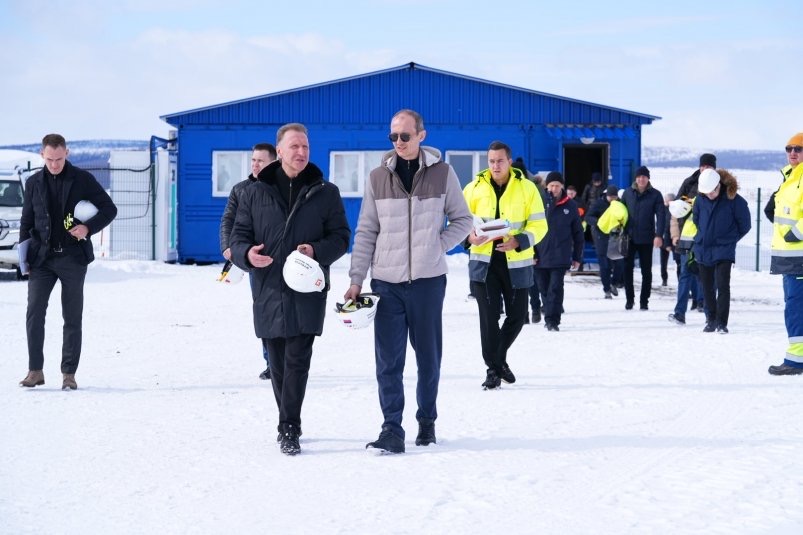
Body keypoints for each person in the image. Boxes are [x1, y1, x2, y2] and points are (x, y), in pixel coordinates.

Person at [345, 109, 473, 454]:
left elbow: (463, 220)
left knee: (428, 358)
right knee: (388, 362)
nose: (398, 142)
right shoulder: (377, 177)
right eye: (393, 136)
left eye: (405, 136)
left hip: (428, 282)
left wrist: (436, 246)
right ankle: (391, 428)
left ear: (421, 136)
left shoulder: (443, 173)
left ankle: (427, 421)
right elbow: (366, 231)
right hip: (386, 283)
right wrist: (356, 279)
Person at [229, 123, 350, 455]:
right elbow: (238, 236)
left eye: (305, 147)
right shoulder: (254, 193)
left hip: (307, 288)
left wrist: (315, 250)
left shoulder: (325, 192)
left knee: (298, 359)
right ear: (279, 151)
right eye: (294, 146)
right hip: (268, 288)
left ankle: (289, 427)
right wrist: (246, 255)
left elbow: (341, 237)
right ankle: (288, 418)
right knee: (278, 363)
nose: (301, 152)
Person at [18, 134, 118, 390]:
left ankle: (68, 374)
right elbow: (26, 222)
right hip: (41, 259)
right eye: (50, 159)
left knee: (72, 316)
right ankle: (35, 371)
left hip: (73, 258)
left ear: (67, 154)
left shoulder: (83, 179)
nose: (54, 164)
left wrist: (88, 228)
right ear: (42, 155)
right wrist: (23, 259)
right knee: (34, 313)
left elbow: (109, 209)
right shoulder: (33, 183)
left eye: (59, 159)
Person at [463, 141, 547, 388]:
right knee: (488, 319)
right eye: (491, 161)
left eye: (500, 161)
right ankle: (493, 370)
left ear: (509, 162)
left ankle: (498, 361)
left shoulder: (528, 189)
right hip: (484, 263)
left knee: (518, 316)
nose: (495, 165)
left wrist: (519, 241)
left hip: (517, 263)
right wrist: (469, 237)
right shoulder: (473, 188)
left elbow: (540, 225)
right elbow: (457, 221)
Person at [219, 142, 277, 380]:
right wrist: (228, 247)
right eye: (253, 160)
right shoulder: (240, 190)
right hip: (255, 261)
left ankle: (289, 360)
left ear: (274, 162)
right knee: (264, 310)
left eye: (260, 160)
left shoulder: (283, 188)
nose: (255, 164)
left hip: (283, 259)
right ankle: (271, 362)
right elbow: (228, 220)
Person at [692, 168, 751, 333]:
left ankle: (721, 323)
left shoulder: (735, 200)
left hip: (724, 249)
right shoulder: (700, 200)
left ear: (719, 185)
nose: (709, 195)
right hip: (703, 247)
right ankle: (710, 320)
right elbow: (696, 219)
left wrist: (730, 239)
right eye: (706, 192)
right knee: (707, 287)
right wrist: (702, 236)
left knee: (723, 285)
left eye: (712, 191)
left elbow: (745, 225)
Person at [767, 133, 803, 374]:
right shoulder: (790, 177)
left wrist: (795, 234)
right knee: (794, 306)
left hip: (799, 256)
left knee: (796, 308)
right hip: (788, 258)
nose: (793, 153)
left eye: (798, 149)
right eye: (789, 148)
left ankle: (796, 361)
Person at [534, 172, 584, 331]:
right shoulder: (538, 202)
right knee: (543, 289)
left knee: (555, 288)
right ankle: (549, 315)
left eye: (557, 185)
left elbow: (578, 233)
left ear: (562, 186)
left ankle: (552, 321)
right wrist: (532, 253)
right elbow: (529, 229)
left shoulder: (571, 205)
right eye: (551, 185)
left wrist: (577, 257)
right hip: (540, 255)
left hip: (560, 255)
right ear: (546, 186)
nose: (554, 189)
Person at [620, 166, 665, 310]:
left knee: (646, 271)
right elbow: (619, 212)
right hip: (629, 237)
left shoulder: (655, 195)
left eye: (644, 177)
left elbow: (661, 216)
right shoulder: (627, 193)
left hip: (646, 238)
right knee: (627, 269)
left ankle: (644, 301)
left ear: (648, 178)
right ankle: (629, 300)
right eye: (639, 177)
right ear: (635, 178)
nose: (641, 179)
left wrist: (659, 235)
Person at [677, 153, 717, 311]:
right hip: (688, 237)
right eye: (703, 166)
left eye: (709, 166)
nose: (705, 169)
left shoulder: (721, 184)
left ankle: (706, 307)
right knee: (685, 274)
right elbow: (679, 207)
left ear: (714, 168)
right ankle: (680, 312)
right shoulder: (690, 183)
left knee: (707, 274)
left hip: (709, 239)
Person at [667, 196, 700, 326]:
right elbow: (675, 217)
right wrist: (675, 236)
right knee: (687, 276)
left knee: (702, 277)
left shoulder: (698, 199)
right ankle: (680, 313)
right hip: (687, 242)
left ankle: (708, 313)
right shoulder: (689, 193)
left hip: (696, 243)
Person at [586, 185, 622, 298]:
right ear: (606, 195)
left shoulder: (620, 204)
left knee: (619, 263)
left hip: (616, 237)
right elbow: (588, 217)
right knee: (604, 265)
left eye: (615, 197)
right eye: (611, 197)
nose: (613, 199)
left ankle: (614, 284)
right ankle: (607, 289)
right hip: (601, 237)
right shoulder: (598, 204)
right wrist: (599, 222)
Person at [660, 193, 680, 286]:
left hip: (672, 238)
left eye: (666, 200)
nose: (665, 202)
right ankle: (664, 279)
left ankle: (680, 282)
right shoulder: (662, 209)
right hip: (665, 238)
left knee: (678, 262)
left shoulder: (674, 210)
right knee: (663, 262)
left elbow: (669, 227)